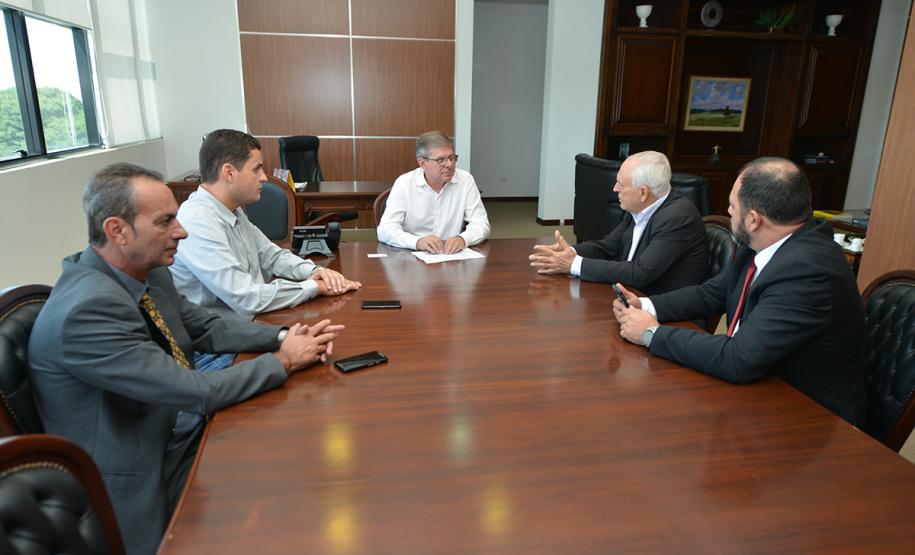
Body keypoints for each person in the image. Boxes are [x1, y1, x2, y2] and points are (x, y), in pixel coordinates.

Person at [28, 163, 344, 555]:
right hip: (141, 472)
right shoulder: (86, 310)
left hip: (178, 431)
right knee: (283, 506)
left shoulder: (145, 272)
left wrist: (283, 336)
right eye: (166, 221)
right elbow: (193, 391)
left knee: (296, 459)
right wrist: (283, 361)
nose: (182, 231)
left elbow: (206, 326)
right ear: (117, 230)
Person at [614, 157, 866, 425]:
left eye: (733, 206)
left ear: (754, 220)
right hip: (758, 390)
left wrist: (652, 334)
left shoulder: (809, 272)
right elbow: (711, 294)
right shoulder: (764, 243)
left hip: (808, 419)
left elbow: (739, 358)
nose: (728, 211)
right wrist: (646, 305)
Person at [170, 129, 361, 326]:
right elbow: (247, 298)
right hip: (218, 345)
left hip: (249, 324)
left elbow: (271, 255)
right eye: (257, 169)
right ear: (229, 173)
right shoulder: (198, 221)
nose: (264, 178)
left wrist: (314, 270)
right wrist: (313, 287)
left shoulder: (231, 210)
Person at [529, 151, 707, 295]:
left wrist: (572, 264)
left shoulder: (678, 218)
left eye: (621, 184)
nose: (615, 189)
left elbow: (639, 273)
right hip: (630, 295)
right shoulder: (641, 207)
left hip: (663, 312)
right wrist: (570, 252)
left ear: (643, 193)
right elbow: (608, 246)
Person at [377, 131, 490, 253]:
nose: (449, 164)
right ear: (422, 163)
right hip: (411, 254)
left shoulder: (466, 180)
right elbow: (385, 229)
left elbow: (481, 224)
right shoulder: (405, 183)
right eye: (441, 160)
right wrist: (417, 241)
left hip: (451, 255)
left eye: (452, 158)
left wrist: (462, 239)